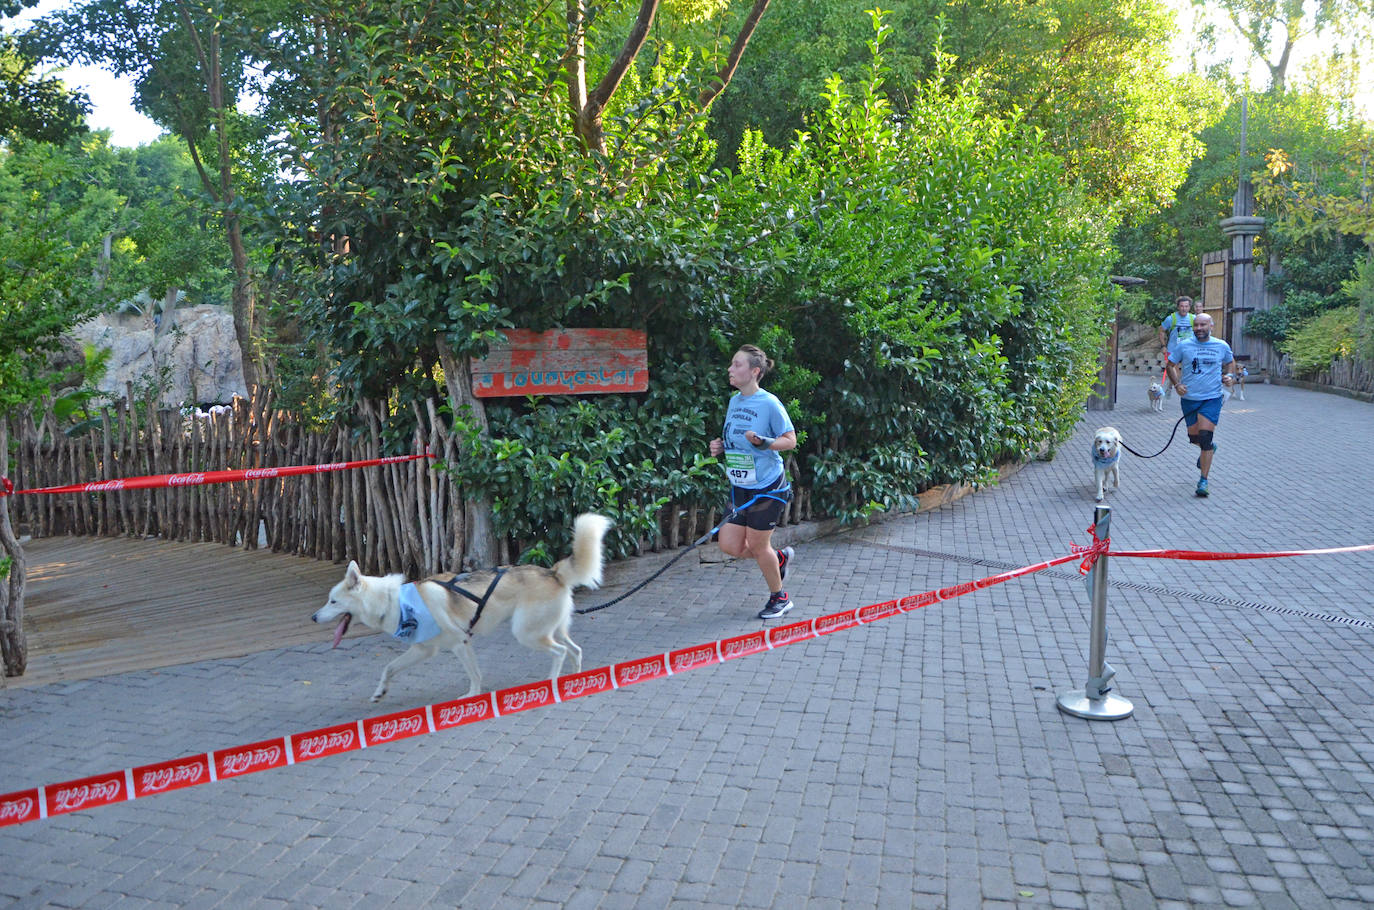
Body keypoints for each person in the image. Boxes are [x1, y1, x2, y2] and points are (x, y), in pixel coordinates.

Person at [708, 345, 799, 619]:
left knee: (759, 547)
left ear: (754, 371)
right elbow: (735, 437)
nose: (730, 369)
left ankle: (779, 597)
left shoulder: (769, 403)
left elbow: (790, 440)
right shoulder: (734, 401)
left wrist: (765, 442)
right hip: (740, 486)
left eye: (737, 365)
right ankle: (778, 559)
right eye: (732, 364)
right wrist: (721, 445)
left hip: (768, 488)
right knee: (729, 545)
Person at [1165, 313, 1236, 497]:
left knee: (1205, 438)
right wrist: (1177, 385)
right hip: (1189, 399)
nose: (1199, 328)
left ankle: (1203, 480)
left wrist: (1230, 377)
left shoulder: (1221, 345)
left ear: (1211, 326)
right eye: (1196, 325)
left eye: (1203, 325)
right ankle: (1209, 449)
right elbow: (1170, 365)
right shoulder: (1184, 346)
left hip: (1211, 398)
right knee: (1194, 438)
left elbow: (1230, 362)